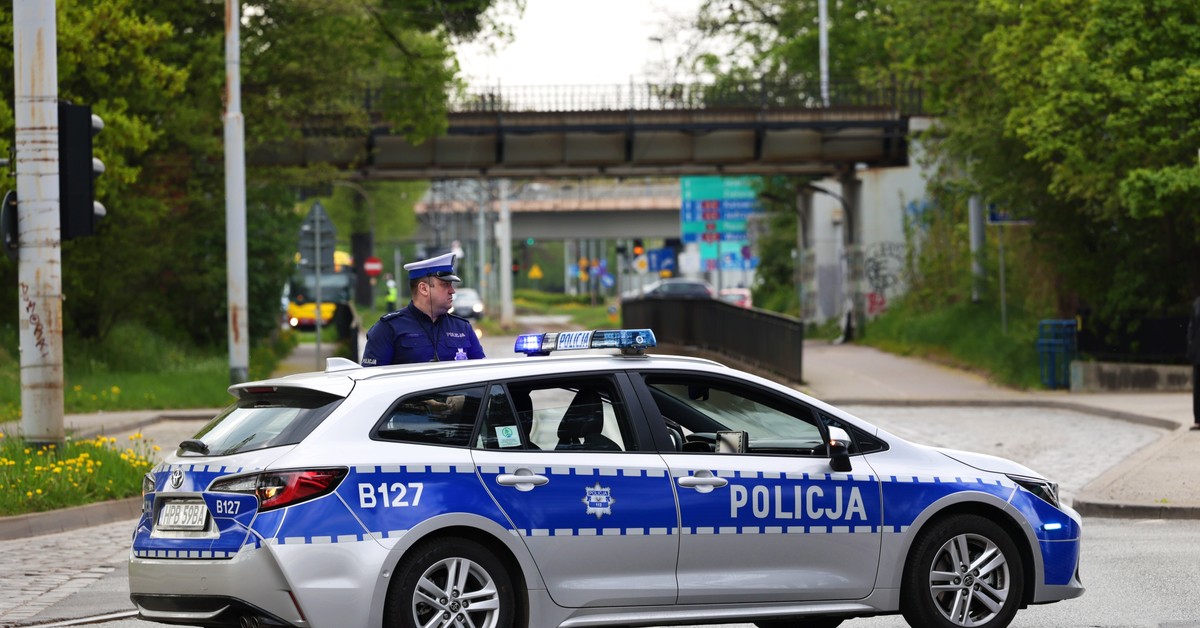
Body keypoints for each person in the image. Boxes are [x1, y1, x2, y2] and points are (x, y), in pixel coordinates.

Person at [361, 252, 485, 366]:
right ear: (423, 289)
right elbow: (372, 383)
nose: (452, 291)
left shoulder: (463, 328)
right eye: (445, 285)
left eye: (451, 285)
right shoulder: (388, 328)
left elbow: (482, 374)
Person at [1189, 296, 1200, 430]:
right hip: (1198, 352)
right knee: (1198, 385)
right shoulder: (1197, 303)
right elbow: (1191, 328)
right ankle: (1198, 419)